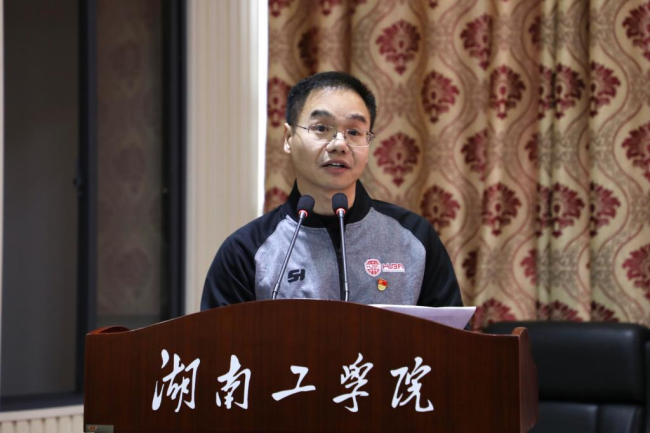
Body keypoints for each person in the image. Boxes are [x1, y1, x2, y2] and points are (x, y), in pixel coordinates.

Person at [201, 71, 462, 310]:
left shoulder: (414, 238)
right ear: (288, 138)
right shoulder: (245, 251)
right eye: (321, 128)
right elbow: (219, 344)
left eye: (354, 132)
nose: (339, 144)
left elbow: (453, 339)